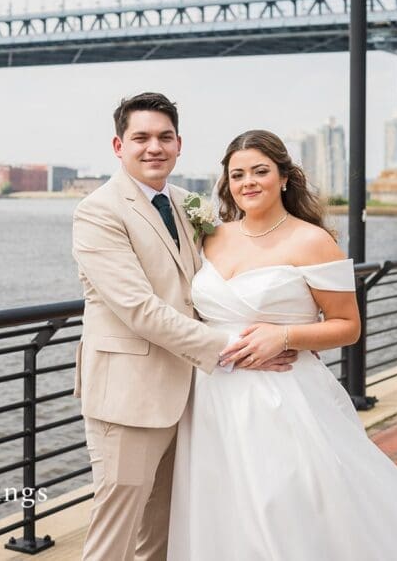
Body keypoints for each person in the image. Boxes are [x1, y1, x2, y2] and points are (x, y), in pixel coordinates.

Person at [167, 129, 397, 560]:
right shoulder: (211, 237)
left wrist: (284, 335)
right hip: (212, 397)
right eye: (237, 174)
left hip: (282, 397)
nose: (248, 183)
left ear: (284, 177)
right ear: (226, 183)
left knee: (286, 507)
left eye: (260, 171)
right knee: (221, 508)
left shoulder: (313, 240)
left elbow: (347, 326)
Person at [71, 94, 296, 561]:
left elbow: (220, 274)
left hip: (191, 396)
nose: (154, 147)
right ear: (119, 145)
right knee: (114, 535)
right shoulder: (97, 211)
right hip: (128, 398)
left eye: (164, 137)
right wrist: (236, 348)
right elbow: (139, 309)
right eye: (141, 138)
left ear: (178, 145)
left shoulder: (186, 203)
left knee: (163, 533)